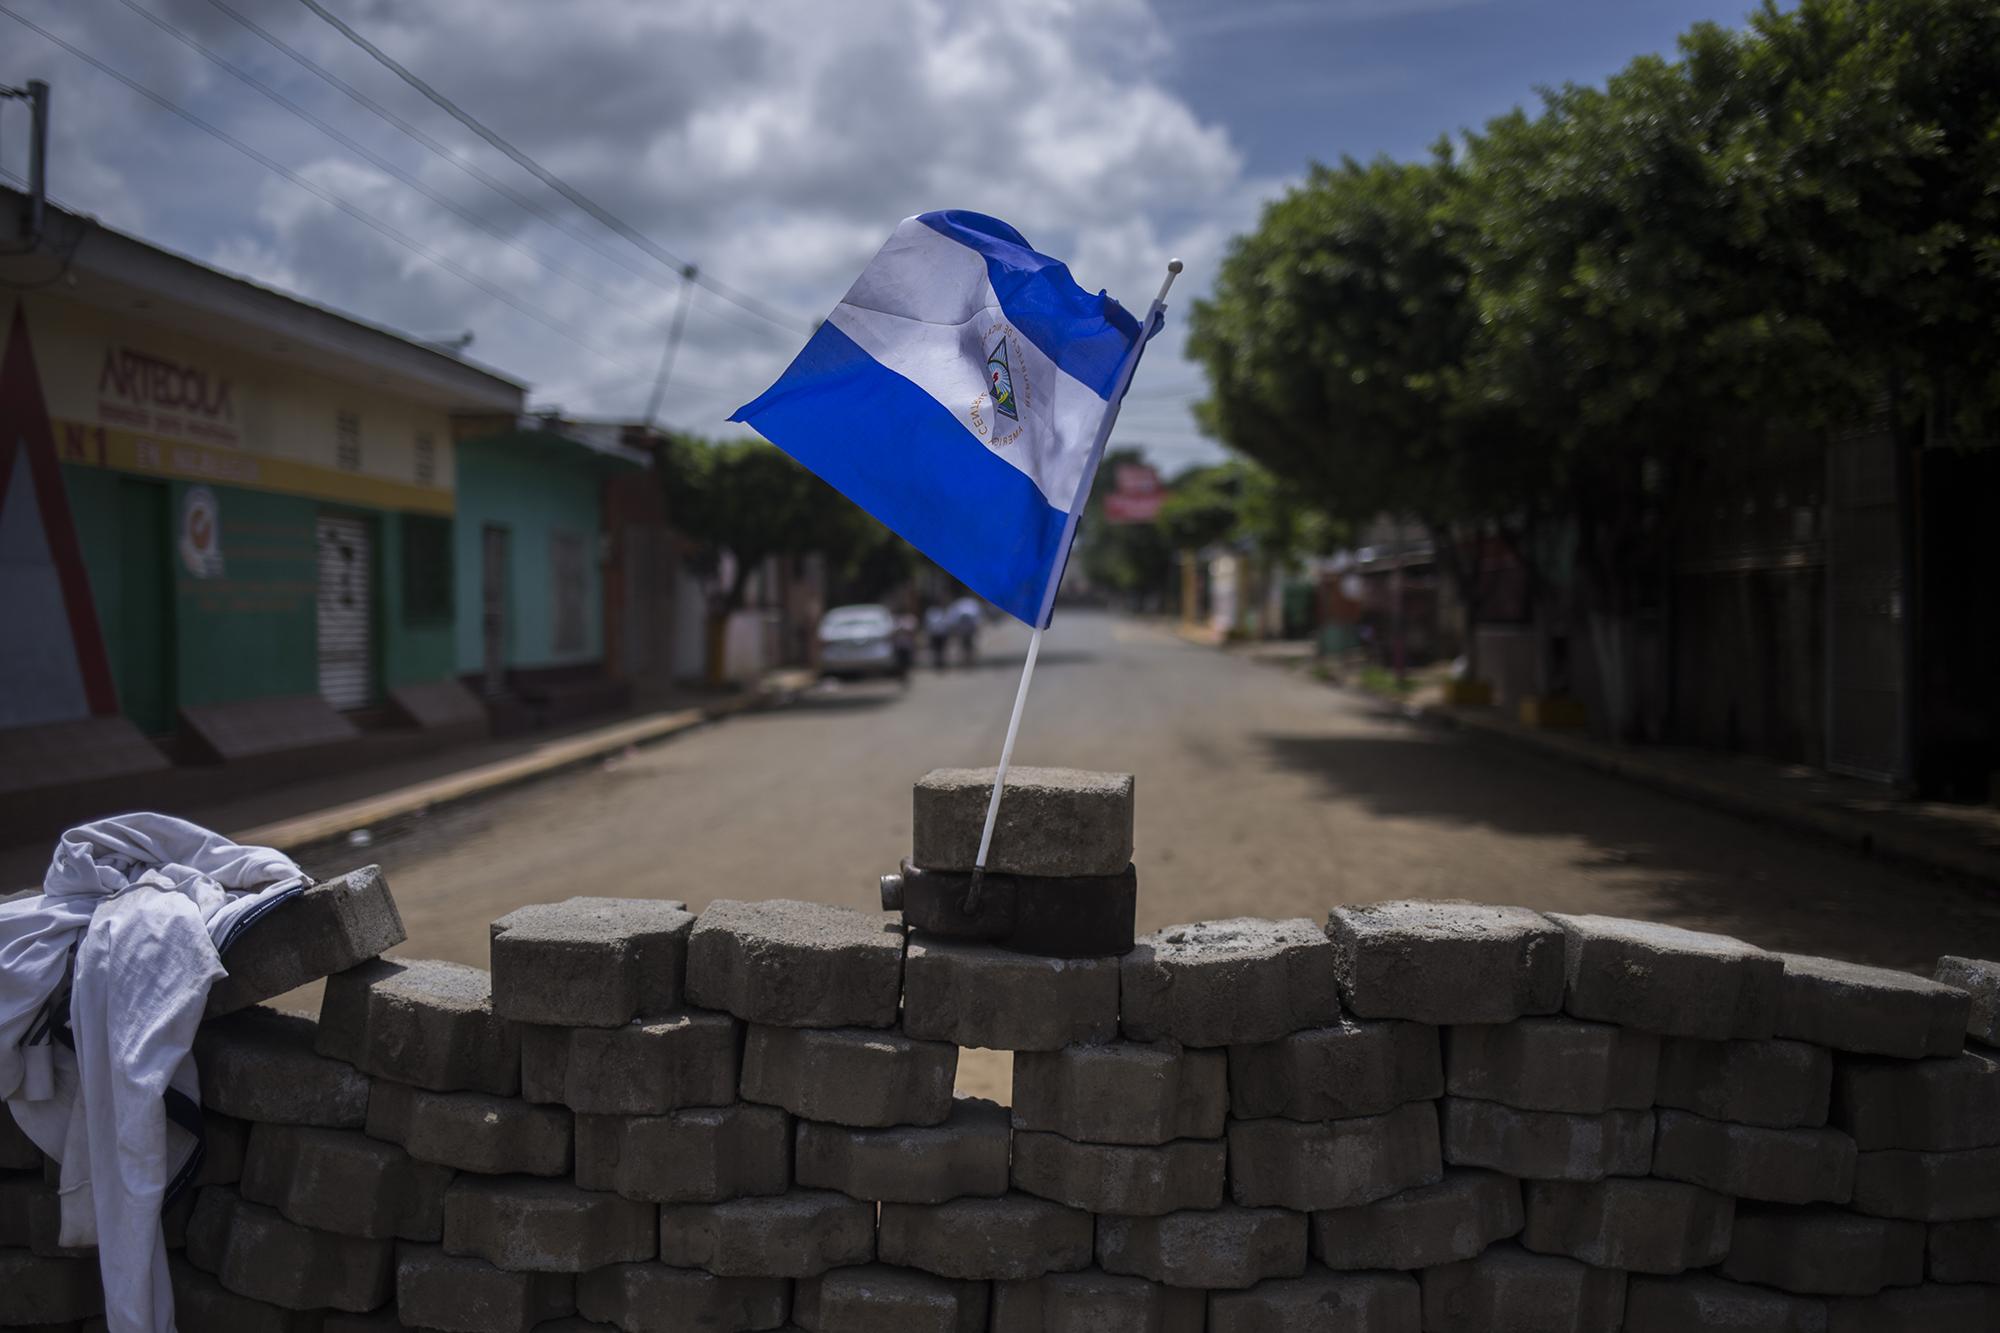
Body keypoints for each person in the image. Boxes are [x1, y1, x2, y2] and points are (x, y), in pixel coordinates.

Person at [949, 594, 982, 665]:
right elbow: (978, 616)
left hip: (964, 629)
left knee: (966, 644)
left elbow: (952, 617)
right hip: (968, 628)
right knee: (967, 644)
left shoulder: (958, 603)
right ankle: (968, 659)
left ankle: (968, 659)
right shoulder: (971, 603)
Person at [923, 604, 950, 668]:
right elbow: (927, 623)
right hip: (934, 634)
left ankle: (942, 662)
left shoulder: (943, 611)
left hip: (942, 634)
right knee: (935, 649)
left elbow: (946, 622)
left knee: (942, 649)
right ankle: (936, 663)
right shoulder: (930, 612)